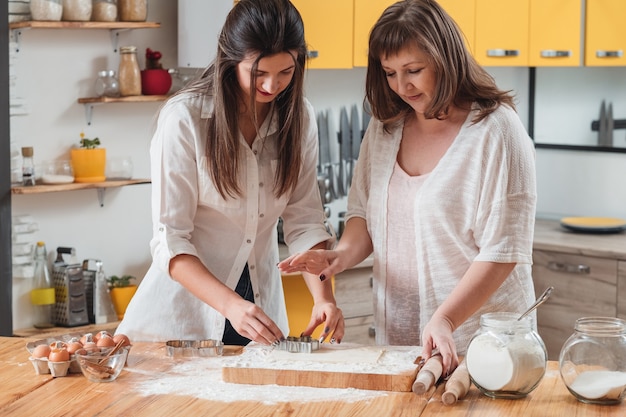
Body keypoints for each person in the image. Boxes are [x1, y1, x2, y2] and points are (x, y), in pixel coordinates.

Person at [278, 0, 537, 374]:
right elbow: (364, 215)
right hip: (400, 344)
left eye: (414, 70)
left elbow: (503, 251)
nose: (402, 86)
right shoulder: (385, 128)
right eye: (389, 73)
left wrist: (445, 319)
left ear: (446, 59)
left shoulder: (497, 131)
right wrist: (340, 257)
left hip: (483, 346)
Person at [117, 0, 343, 346]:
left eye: (286, 72)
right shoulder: (185, 119)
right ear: (231, 59)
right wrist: (232, 306)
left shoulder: (298, 119)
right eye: (259, 73)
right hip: (182, 323)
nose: (272, 86)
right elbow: (171, 240)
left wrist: (324, 298)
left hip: (260, 317)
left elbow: (305, 221)